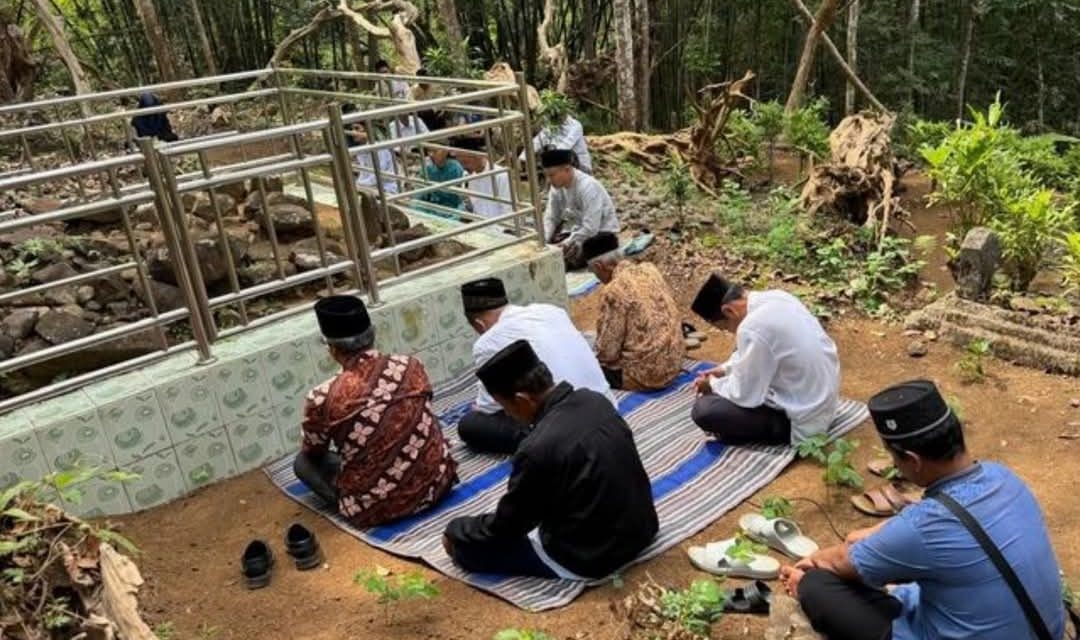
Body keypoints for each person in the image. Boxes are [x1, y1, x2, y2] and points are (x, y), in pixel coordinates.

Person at [780, 379, 1067, 640]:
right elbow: (926, 523)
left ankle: (806, 585)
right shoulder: (1003, 476)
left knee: (818, 585)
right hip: (1045, 631)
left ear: (913, 461)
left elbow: (844, 562)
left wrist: (814, 563)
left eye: (895, 459)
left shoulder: (921, 528)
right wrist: (866, 538)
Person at [443, 340, 658, 579]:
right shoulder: (595, 400)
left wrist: (458, 528)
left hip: (591, 557)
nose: (509, 416)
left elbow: (508, 526)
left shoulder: (536, 449)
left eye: (507, 409)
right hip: (642, 530)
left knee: (464, 551)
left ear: (522, 400)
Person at [294, 295, 458, 527]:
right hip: (438, 485)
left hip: (379, 509)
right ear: (372, 334)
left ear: (332, 349)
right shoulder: (411, 365)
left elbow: (313, 450)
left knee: (302, 463)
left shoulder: (322, 396)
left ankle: (359, 503)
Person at [457, 277, 615, 454]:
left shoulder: (487, 342)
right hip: (606, 408)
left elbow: (489, 407)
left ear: (479, 324)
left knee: (470, 424)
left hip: (567, 431)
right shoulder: (552, 310)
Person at [689, 274, 839, 445]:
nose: (728, 332)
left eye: (723, 327)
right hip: (826, 405)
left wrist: (712, 384)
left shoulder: (751, 328)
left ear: (728, 311)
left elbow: (744, 395)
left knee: (704, 410)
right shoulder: (779, 297)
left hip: (802, 422)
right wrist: (724, 369)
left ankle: (769, 431)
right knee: (740, 347)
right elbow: (763, 348)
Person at [584, 234, 684, 391]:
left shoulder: (613, 290)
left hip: (647, 376)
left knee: (584, 366)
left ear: (599, 266)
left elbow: (607, 353)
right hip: (675, 364)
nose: (597, 278)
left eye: (593, 272)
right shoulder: (650, 270)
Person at [540, 148, 620, 270]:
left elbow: (591, 227)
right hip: (578, 231)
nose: (549, 180)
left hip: (601, 235)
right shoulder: (556, 188)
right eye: (547, 176)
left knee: (563, 260)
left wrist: (567, 242)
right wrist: (544, 240)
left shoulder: (587, 186)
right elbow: (551, 217)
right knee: (549, 250)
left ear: (567, 169)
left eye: (551, 175)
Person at [341, 103, 398, 195]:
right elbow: (364, 174)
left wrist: (359, 185)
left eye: (357, 128)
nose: (353, 132)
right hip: (371, 187)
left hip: (386, 187)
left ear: (366, 129)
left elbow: (379, 174)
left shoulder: (378, 148)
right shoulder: (360, 150)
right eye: (352, 129)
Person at [519, 103, 592, 174]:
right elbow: (537, 141)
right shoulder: (551, 127)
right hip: (561, 165)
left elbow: (565, 146)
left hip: (580, 166)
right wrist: (523, 157)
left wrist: (549, 158)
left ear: (564, 113)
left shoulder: (575, 126)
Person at [453, 136, 513, 219]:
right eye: (461, 163)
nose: (464, 167)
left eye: (466, 162)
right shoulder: (467, 176)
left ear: (478, 155)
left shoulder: (500, 175)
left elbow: (509, 210)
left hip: (501, 227)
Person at [418, 146, 465, 213]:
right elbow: (421, 192)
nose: (431, 154)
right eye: (429, 151)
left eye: (435, 151)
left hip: (451, 207)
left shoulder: (456, 168)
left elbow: (457, 199)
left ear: (445, 151)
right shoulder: (428, 167)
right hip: (433, 205)